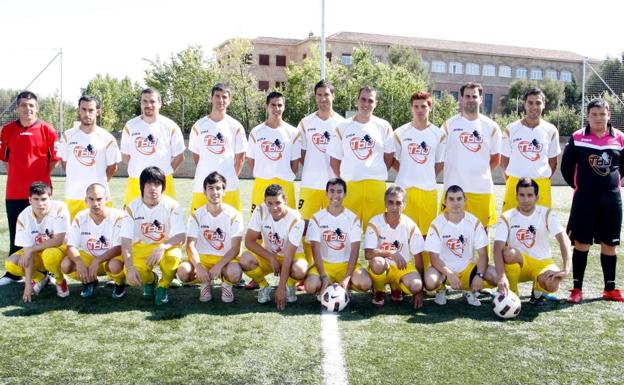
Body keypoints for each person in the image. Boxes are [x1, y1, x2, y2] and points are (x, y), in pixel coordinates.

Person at [561, 98, 624, 303]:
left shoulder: (620, 139)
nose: (598, 118)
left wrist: (612, 184)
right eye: (594, 114)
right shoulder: (577, 137)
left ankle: (610, 289)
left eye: (602, 114)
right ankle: (577, 289)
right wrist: (580, 186)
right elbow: (566, 168)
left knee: (610, 245)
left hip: (611, 200)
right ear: (588, 116)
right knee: (582, 243)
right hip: (584, 200)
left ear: (609, 115)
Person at [0, 91, 60, 285]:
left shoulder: (47, 130)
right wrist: (19, 175)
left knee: (45, 232)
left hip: (41, 194)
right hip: (14, 192)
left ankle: (47, 271)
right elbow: (6, 160)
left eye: (31, 105)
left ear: (37, 107)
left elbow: (54, 161)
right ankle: (13, 273)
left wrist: (40, 177)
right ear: (17, 107)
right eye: (24, 105)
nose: (28, 109)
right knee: (17, 231)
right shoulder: (7, 130)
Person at [493, 178, 571, 305]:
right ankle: (511, 293)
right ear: (516, 196)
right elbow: (497, 249)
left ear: (537, 197)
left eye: (530, 195)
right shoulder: (507, 217)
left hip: (541, 263)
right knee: (508, 253)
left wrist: (566, 269)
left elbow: (564, 240)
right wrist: (501, 277)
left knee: (553, 284)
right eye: (522, 195)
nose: (526, 200)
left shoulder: (546, 213)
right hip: (519, 263)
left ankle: (537, 292)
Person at [328, 86, 394, 229]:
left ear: (376, 103)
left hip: (376, 186)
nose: (366, 104)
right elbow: (334, 160)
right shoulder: (343, 126)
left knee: (376, 232)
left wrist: (374, 170)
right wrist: (346, 177)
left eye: (370, 101)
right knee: (347, 231)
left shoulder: (384, 126)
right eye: (363, 99)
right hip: (351, 186)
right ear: (356, 101)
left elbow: (389, 157)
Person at [393, 91, 444, 273]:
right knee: (405, 233)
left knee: (425, 234)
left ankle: (426, 272)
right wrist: (409, 173)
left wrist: (425, 174)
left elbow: (439, 163)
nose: (420, 110)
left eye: (424, 106)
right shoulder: (400, 133)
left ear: (430, 108)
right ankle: (404, 272)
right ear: (411, 108)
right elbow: (395, 161)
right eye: (416, 106)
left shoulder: (438, 134)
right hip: (405, 191)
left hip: (428, 190)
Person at [120, 166, 185, 305]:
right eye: (149, 183)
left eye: (157, 183)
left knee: (172, 260)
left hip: (167, 245)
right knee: (131, 272)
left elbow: (180, 235)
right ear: (142, 186)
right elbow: (125, 241)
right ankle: (150, 280)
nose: (153, 188)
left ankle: (163, 286)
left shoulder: (172, 205)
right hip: (141, 247)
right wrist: (130, 268)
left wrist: (162, 247)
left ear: (163, 187)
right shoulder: (132, 207)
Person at [424, 185, 497, 306]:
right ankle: (441, 289)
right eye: (451, 199)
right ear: (445, 202)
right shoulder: (437, 223)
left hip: (467, 268)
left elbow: (483, 254)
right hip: (444, 270)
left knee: (495, 277)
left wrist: (479, 275)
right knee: (430, 282)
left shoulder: (474, 222)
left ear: (465, 200)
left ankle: (469, 290)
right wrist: (450, 274)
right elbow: (434, 257)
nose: (455, 203)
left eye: (459, 199)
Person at [298, 80, 345, 266]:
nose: (323, 98)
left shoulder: (342, 123)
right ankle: (309, 267)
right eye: (319, 95)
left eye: (326, 94)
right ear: (315, 96)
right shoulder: (306, 123)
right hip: (310, 184)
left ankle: (330, 266)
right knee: (305, 228)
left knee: (333, 228)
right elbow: (302, 154)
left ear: (333, 96)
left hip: (334, 186)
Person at [177, 172, 244, 303]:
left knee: (235, 273)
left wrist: (219, 266)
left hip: (226, 261)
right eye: (211, 188)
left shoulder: (235, 215)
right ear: (204, 191)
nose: (215, 192)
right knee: (183, 272)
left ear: (224, 191)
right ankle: (205, 283)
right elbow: (190, 245)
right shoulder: (196, 215)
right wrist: (198, 266)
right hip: (203, 259)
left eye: (218, 188)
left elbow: (235, 248)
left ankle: (227, 285)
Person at [441, 83, 501, 228]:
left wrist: (478, 173)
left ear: (481, 99)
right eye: (467, 96)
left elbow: (496, 159)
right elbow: (439, 156)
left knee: (482, 231)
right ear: (461, 98)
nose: (470, 99)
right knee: (450, 231)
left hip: (481, 190)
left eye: (474, 96)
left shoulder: (491, 127)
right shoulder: (448, 125)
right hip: (453, 189)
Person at [239, 184, 306, 310]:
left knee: (300, 269)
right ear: (265, 202)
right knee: (244, 259)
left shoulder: (296, 219)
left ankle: (289, 285)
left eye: (278, 203)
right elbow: (249, 242)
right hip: (269, 255)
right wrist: (270, 257)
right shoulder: (260, 211)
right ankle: (264, 286)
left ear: (285, 200)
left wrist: (281, 288)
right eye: (269, 203)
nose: (274, 208)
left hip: (291, 257)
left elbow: (289, 256)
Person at [304, 178, 371, 298]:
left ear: (345, 194)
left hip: (345, 265)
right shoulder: (316, 218)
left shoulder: (353, 218)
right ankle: (327, 284)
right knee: (310, 287)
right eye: (332, 191)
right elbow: (315, 251)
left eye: (339, 191)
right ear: (326, 193)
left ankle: (345, 285)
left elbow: (355, 250)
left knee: (365, 284)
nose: (335, 195)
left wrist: (347, 277)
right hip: (325, 265)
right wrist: (323, 275)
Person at [57, 95, 121, 220]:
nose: (87, 113)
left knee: (100, 237)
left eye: (91, 110)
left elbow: (113, 167)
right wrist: (77, 176)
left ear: (98, 111)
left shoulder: (107, 138)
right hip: (73, 195)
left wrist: (98, 183)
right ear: (78, 110)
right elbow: (64, 162)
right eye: (83, 109)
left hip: (99, 198)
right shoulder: (67, 136)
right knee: (72, 236)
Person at [4, 182, 70, 302]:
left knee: (49, 255)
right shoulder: (23, 217)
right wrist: (28, 285)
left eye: (44, 199)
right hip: (38, 253)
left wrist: (31, 249)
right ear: (30, 200)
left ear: (51, 198)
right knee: (11, 263)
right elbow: (27, 252)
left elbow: (59, 240)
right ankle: (40, 277)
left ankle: (60, 280)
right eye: (36, 199)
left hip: (60, 251)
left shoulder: (60, 208)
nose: (40, 203)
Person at [120, 87, 185, 205]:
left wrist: (165, 173)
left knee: (165, 221)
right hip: (136, 182)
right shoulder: (130, 126)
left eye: (152, 101)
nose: (148, 105)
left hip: (163, 182)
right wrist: (137, 169)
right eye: (144, 101)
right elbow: (125, 156)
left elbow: (180, 156)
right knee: (131, 219)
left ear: (160, 104)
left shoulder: (171, 126)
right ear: (140, 103)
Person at [188, 83, 247, 213]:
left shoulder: (236, 126)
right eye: (217, 96)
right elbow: (196, 156)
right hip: (202, 184)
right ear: (211, 98)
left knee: (231, 223)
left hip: (229, 186)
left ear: (229, 100)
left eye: (224, 97)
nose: (221, 100)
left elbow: (240, 158)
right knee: (199, 224)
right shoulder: (199, 126)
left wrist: (229, 176)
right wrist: (206, 170)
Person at [61, 183, 126, 299]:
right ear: (86, 200)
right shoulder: (80, 217)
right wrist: (79, 262)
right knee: (66, 264)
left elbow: (118, 248)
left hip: (112, 259)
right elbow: (70, 246)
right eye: (91, 199)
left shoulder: (118, 216)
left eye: (99, 199)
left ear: (106, 199)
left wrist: (98, 260)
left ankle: (119, 283)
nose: (95, 203)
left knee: (114, 265)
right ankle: (89, 281)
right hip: (91, 258)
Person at [365, 186, 426, 309]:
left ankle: (396, 288)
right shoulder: (375, 222)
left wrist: (419, 291)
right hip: (382, 266)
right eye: (390, 202)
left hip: (401, 267)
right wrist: (391, 253)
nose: (394, 207)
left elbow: (418, 259)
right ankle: (379, 291)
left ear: (404, 205)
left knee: (416, 285)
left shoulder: (410, 225)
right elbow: (368, 254)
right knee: (377, 262)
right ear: (385, 203)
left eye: (398, 203)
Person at [500, 88, 560, 212]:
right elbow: (504, 161)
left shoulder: (551, 130)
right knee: (511, 226)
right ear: (525, 104)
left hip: (541, 185)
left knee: (541, 227)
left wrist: (540, 177)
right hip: (515, 184)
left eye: (538, 103)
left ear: (544, 105)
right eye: (530, 102)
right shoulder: (511, 129)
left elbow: (553, 163)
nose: (534, 106)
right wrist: (512, 180)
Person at [246, 91, 300, 213]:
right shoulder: (256, 132)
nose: (277, 108)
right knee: (258, 225)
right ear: (267, 106)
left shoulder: (293, 133)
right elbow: (251, 160)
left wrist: (284, 174)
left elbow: (295, 164)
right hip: (262, 184)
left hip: (285, 185)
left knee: (287, 223)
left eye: (280, 105)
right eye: (273, 105)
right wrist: (264, 173)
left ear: (284, 107)